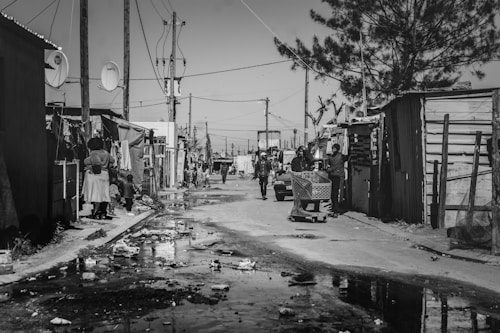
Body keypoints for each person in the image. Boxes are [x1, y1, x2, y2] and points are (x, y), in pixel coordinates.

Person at [83, 137, 115, 219]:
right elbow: (112, 160)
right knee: (104, 195)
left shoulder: (94, 153)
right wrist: (106, 166)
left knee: (96, 195)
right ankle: (103, 213)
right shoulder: (106, 152)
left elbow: (96, 163)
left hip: (96, 175)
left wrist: (90, 167)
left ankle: (96, 213)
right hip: (105, 175)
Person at [326, 143, 348, 217]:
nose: (333, 150)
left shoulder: (338, 156)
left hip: (337, 176)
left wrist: (329, 169)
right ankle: (335, 208)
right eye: (333, 148)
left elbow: (330, 167)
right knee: (334, 193)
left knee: (335, 193)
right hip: (335, 176)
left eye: (334, 148)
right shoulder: (335, 157)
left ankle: (336, 209)